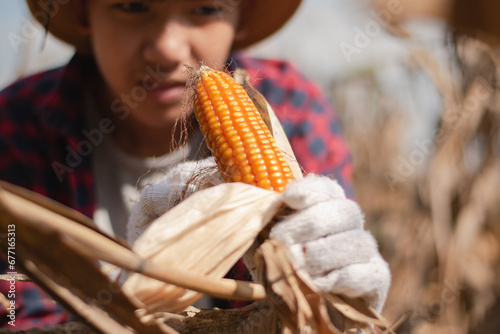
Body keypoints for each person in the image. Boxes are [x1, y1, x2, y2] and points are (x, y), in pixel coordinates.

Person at [0, 0, 390, 329]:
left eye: (204, 8)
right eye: (133, 5)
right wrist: (134, 294)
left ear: (241, 17)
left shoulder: (292, 107)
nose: (168, 48)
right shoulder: (16, 124)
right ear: (86, 13)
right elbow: (18, 314)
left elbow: (307, 303)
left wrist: (335, 302)